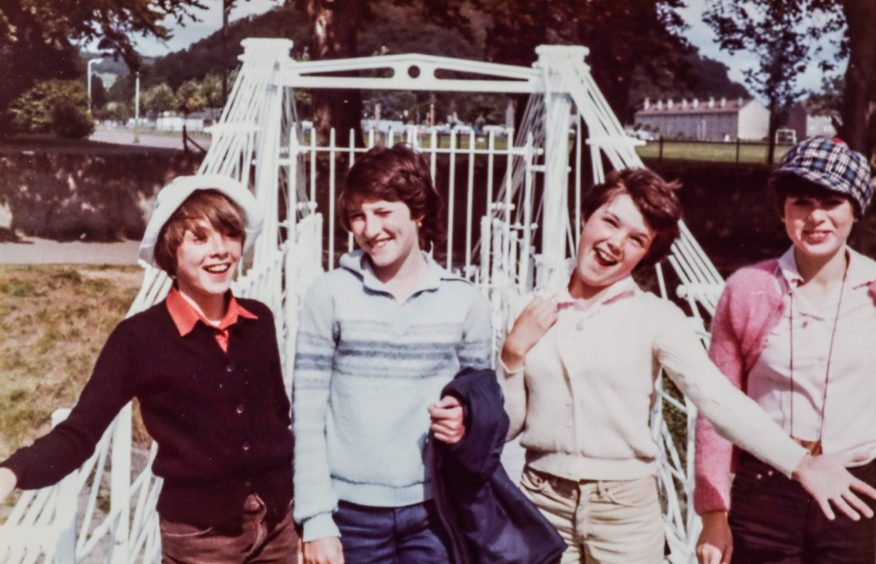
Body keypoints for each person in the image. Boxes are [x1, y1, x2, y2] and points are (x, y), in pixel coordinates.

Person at [498, 167, 876, 564]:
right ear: (587, 217)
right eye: (609, 221)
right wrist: (512, 355)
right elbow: (506, 427)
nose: (615, 243)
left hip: (623, 513)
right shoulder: (526, 311)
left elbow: (718, 400)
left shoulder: (657, 319)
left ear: (648, 253)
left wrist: (799, 463)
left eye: (636, 239)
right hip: (540, 503)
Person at [0, 175, 297, 563]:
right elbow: (80, 431)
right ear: (171, 251)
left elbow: (280, 420)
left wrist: (301, 515)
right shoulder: (138, 338)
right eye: (200, 238)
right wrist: (12, 472)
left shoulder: (260, 320)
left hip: (279, 527)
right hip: (201, 540)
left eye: (230, 235)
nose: (220, 250)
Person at [292, 144, 492, 564]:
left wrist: (466, 416)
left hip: (435, 512)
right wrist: (315, 518)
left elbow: (485, 403)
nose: (369, 229)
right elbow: (307, 416)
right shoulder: (328, 294)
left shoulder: (465, 301)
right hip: (348, 516)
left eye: (384, 212)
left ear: (418, 211)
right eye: (358, 216)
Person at [695, 137, 876, 564]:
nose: (816, 217)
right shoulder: (747, 290)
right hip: (765, 492)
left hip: (859, 491)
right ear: (783, 211)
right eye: (801, 202)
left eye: (832, 202)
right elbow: (717, 410)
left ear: (855, 210)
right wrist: (714, 514)